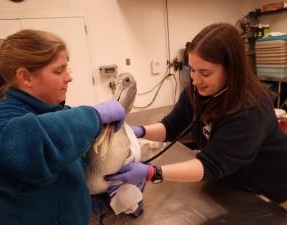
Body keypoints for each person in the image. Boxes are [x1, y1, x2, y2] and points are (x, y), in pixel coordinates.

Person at [105, 22, 287, 209]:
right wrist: (137, 131)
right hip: (232, 183)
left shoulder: (251, 108)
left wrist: (152, 173)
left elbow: (212, 164)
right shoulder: (196, 91)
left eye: (205, 73)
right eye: (192, 69)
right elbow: (171, 127)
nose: (195, 80)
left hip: (271, 190)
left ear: (231, 69)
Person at [0, 29, 125, 225]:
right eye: (58, 71)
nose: (68, 78)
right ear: (25, 77)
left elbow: (70, 157)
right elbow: (26, 148)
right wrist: (94, 115)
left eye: (66, 69)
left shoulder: (54, 112)